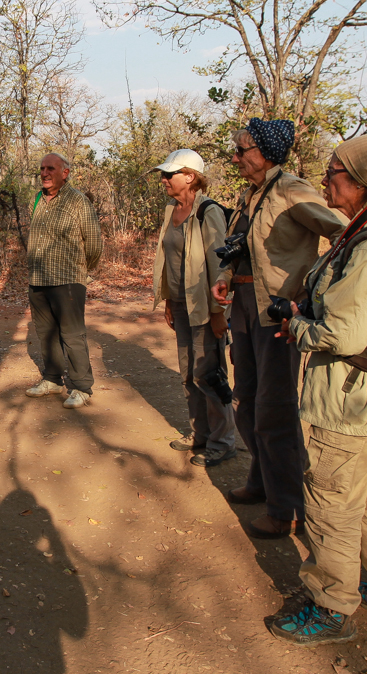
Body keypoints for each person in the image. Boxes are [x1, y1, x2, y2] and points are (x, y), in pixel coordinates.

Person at [268, 135, 367, 646]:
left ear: (361, 183)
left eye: (335, 169)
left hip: (350, 402)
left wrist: (296, 327)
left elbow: (344, 333)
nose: (327, 176)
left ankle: (331, 606)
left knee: (333, 501)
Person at [210, 118, 346, 539]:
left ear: (266, 152)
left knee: (276, 408)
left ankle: (288, 507)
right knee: (247, 401)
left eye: (243, 149)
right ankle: (261, 480)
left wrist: (316, 288)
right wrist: (226, 276)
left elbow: (343, 230)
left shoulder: (292, 190)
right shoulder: (251, 193)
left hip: (278, 313)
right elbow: (241, 248)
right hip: (246, 306)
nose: (236, 157)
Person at [150, 149, 237, 467]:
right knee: (189, 374)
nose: (163, 180)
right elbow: (168, 259)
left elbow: (219, 265)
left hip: (204, 308)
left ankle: (223, 440)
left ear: (190, 176)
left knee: (209, 374)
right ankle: (200, 433)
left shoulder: (208, 211)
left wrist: (218, 313)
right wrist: (169, 301)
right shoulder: (171, 208)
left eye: (169, 174)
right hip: (181, 305)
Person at [25, 153, 102, 409]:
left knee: (72, 334)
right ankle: (53, 379)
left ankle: (82, 387)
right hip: (38, 278)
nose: (45, 173)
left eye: (51, 169)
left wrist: (80, 271)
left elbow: (94, 244)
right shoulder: (37, 199)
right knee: (46, 333)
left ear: (65, 173)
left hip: (67, 279)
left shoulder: (78, 201)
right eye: (42, 169)